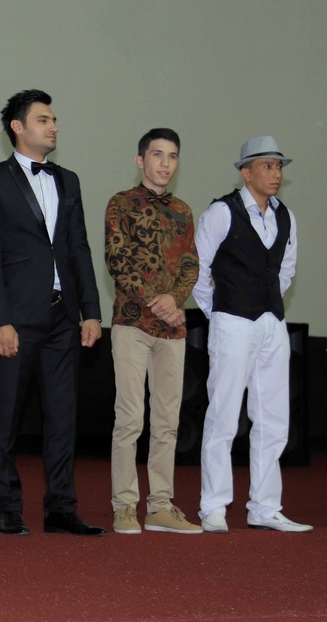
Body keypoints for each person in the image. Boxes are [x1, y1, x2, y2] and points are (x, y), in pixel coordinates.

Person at [0, 89, 106, 537]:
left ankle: (61, 507)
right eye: (43, 120)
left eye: (54, 120)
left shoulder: (69, 181)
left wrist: (91, 310)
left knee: (63, 416)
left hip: (63, 318)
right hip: (16, 318)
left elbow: (79, 248)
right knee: (5, 415)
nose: (53, 127)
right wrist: (0, 319)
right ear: (18, 127)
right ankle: (8, 505)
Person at [193, 136, 311, 533]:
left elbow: (286, 269)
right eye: (267, 166)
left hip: (271, 323)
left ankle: (264, 507)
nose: (276, 174)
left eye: (279, 167)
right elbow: (198, 268)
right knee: (224, 414)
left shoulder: (286, 216)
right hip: (232, 321)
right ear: (246, 172)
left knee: (273, 416)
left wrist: (266, 305)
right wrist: (219, 312)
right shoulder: (221, 212)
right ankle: (213, 506)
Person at [105, 128, 201, 535]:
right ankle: (124, 506)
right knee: (129, 420)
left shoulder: (182, 210)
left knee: (168, 422)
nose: (165, 163)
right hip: (132, 323)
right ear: (140, 160)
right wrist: (155, 300)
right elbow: (117, 260)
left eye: (172, 156)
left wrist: (175, 301)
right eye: (157, 154)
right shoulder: (121, 203)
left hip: (173, 330)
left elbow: (191, 264)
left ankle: (160, 506)